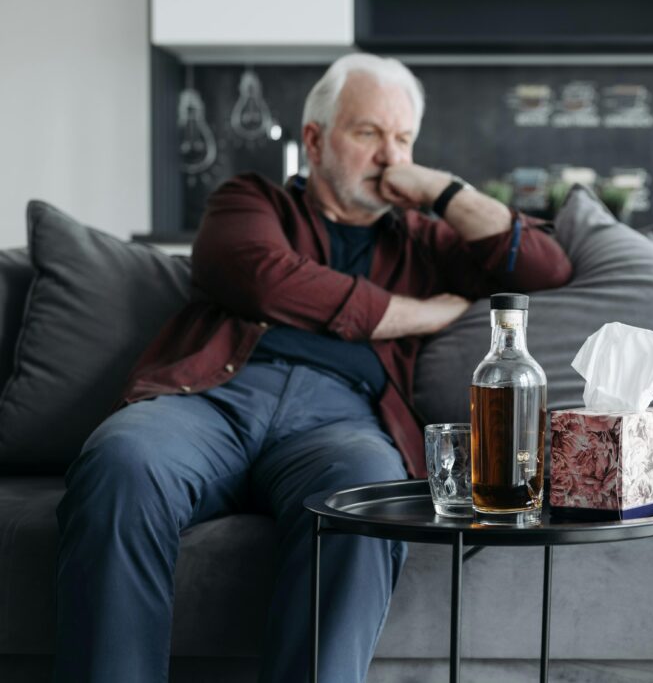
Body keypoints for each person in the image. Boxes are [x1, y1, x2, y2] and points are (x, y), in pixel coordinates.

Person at [53, 53, 572, 683]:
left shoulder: (423, 238)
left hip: (341, 419)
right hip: (212, 397)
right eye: (369, 132)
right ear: (315, 139)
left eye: (403, 138)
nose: (390, 157)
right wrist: (421, 314)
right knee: (122, 460)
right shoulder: (250, 200)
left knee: (369, 493)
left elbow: (545, 267)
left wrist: (441, 191)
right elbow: (266, 281)